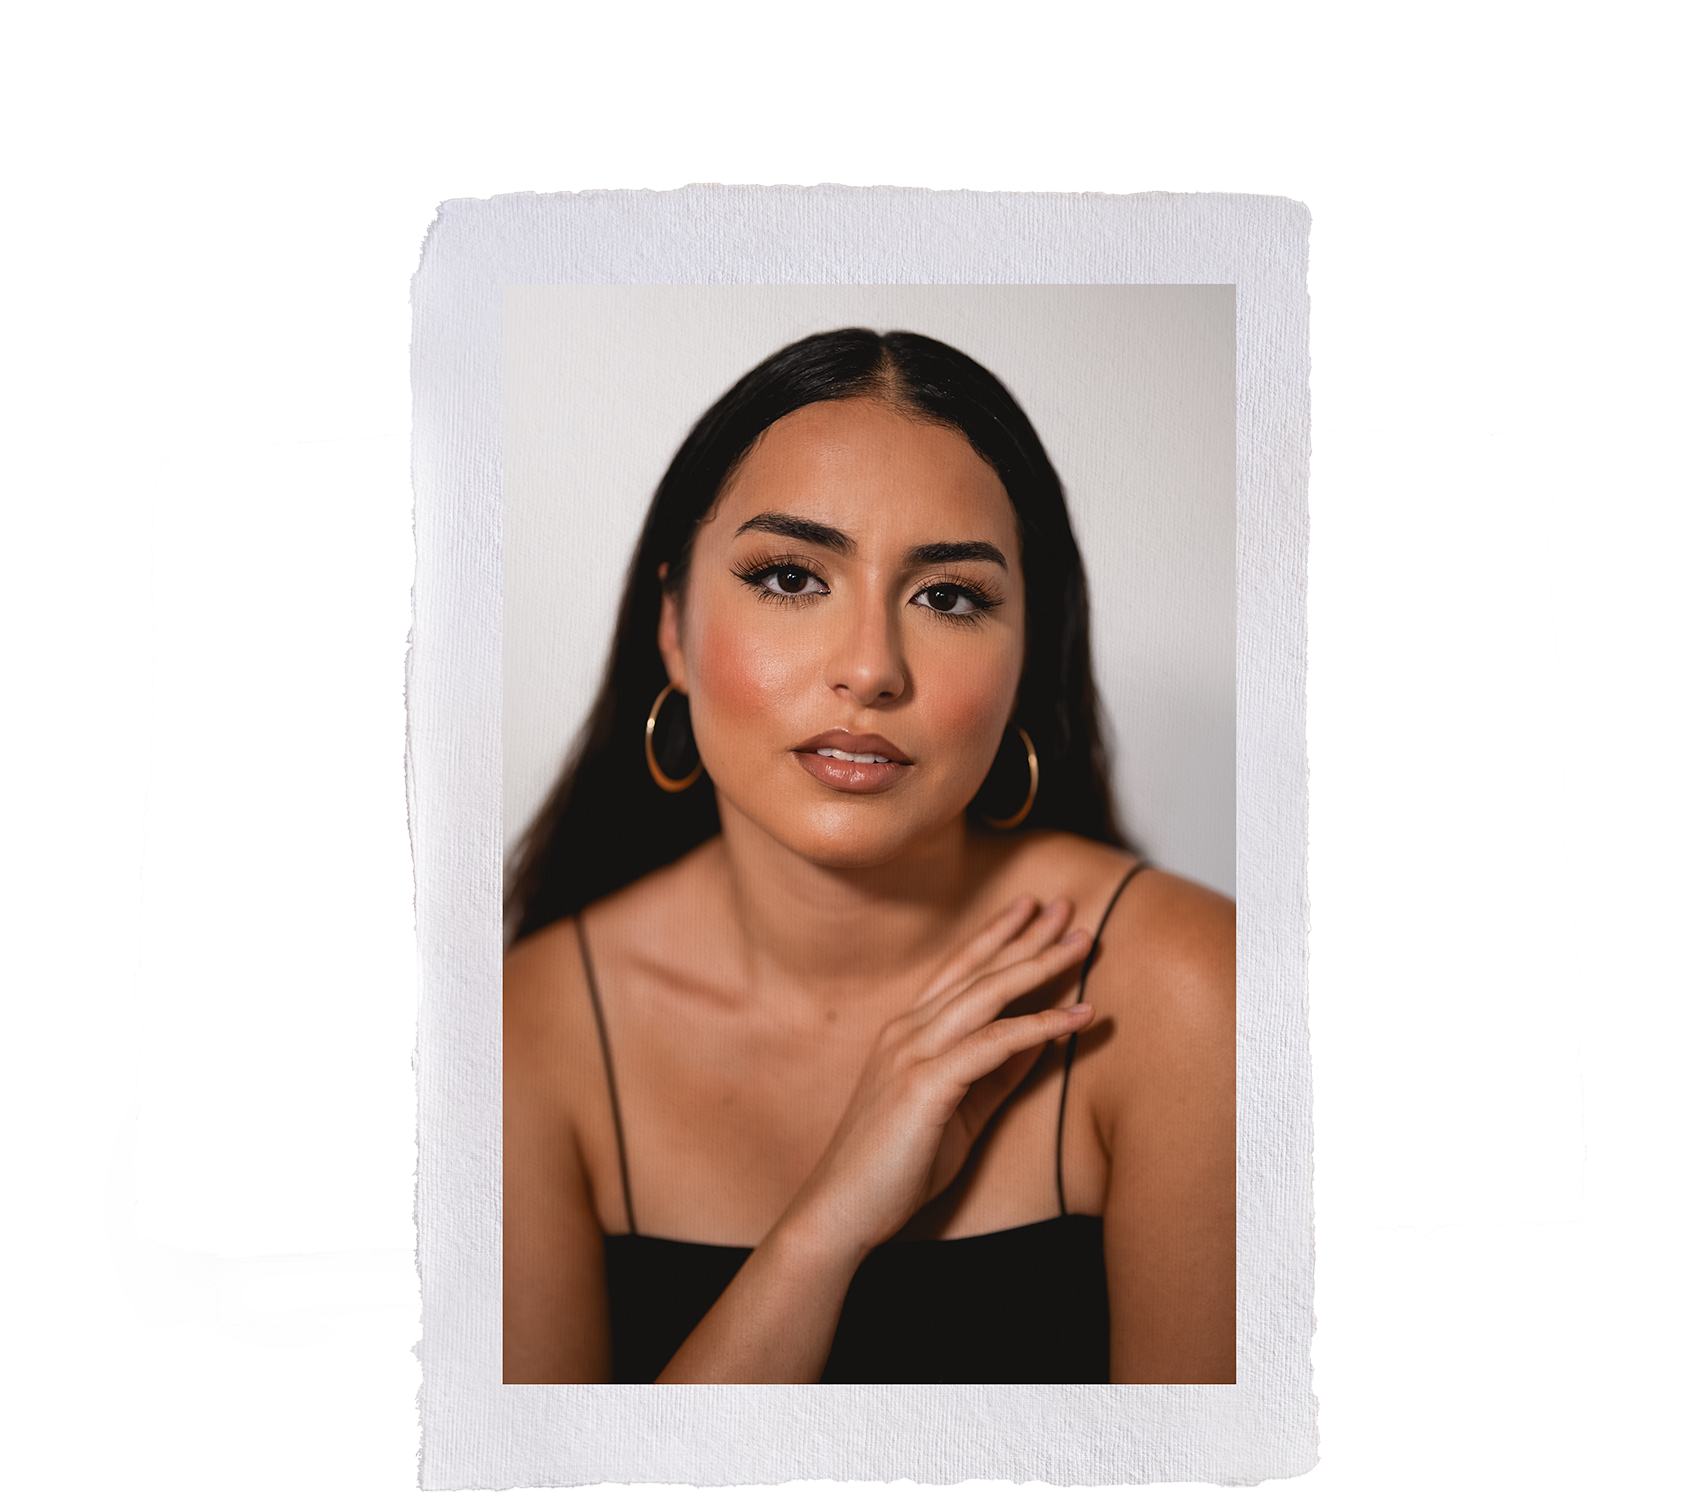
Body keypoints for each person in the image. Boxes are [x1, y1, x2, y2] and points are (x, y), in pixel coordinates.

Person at [503, 328, 1232, 1384]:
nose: (870, 668)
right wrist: (830, 1221)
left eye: (949, 596)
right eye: (791, 577)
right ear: (672, 625)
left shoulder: (1186, 994)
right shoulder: (527, 1033)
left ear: (1027, 654)